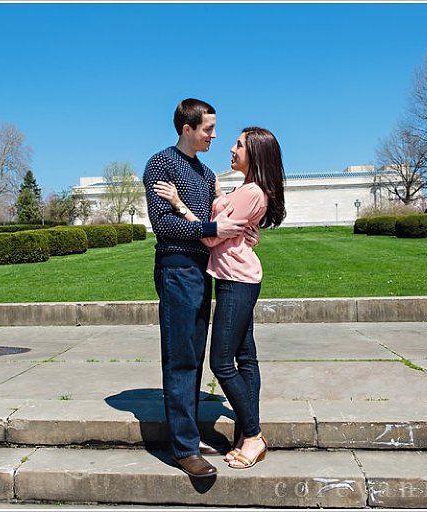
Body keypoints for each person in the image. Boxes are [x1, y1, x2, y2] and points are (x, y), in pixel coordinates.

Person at [154, 126, 286, 469]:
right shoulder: (246, 189)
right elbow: (227, 228)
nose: (230, 146)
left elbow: (212, 239)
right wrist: (217, 194)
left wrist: (180, 205)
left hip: (235, 280)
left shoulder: (250, 192)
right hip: (239, 277)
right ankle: (246, 434)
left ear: (254, 153)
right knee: (246, 356)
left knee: (222, 363)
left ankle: (253, 435)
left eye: (239, 144)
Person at [142, 98, 247, 478]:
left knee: (195, 355)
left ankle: (186, 436)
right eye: (208, 129)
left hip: (203, 270)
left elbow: (205, 218)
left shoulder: (204, 174)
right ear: (187, 128)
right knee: (181, 357)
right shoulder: (161, 164)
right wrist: (210, 229)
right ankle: (184, 449)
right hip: (176, 269)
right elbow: (164, 225)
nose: (214, 136)